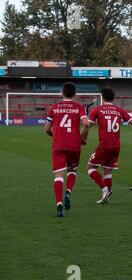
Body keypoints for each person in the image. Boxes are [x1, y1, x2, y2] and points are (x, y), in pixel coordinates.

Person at [87, 88, 132, 204]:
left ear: (102, 97)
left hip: (104, 145)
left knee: (90, 168)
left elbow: (88, 125)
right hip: (116, 146)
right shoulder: (119, 110)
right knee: (107, 172)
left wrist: (82, 136)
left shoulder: (97, 110)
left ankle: (105, 190)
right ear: (114, 98)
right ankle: (106, 199)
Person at [44, 82, 90, 217]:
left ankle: (59, 204)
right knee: (72, 170)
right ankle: (68, 191)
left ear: (61, 93)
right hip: (74, 145)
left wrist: (55, 136)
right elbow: (86, 123)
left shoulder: (55, 107)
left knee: (59, 175)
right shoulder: (79, 107)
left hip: (58, 145)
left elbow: (46, 129)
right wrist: (83, 138)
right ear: (75, 94)